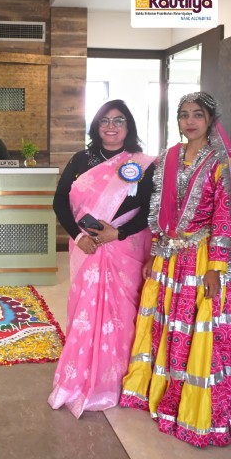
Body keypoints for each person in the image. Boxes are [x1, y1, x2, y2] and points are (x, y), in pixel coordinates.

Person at [120, 92, 231, 448]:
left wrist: (216, 268)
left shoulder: (221, 163)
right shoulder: (169, 158)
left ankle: (188, 406)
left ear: (210, 119)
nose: (190, 121)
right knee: (164, 322)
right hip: (168, 255)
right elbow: (158, 211)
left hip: (200, 257)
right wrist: (153, 253)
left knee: (194, 327)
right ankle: (158, 390)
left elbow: (224, 218)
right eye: (184, 115)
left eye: (197, 114)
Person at [48, 99, 156, 418]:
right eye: (105, 121)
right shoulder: (81, 159)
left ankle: (118, 379)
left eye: (118, 120)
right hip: (88, 248)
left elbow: (150, 210)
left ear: (128, 126)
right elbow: (59, 201)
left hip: (125, 249)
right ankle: (80, 376)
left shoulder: (142, 163)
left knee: (123, 314)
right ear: (96, 126)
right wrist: (79, 236)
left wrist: (118, 234)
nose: (111, 127)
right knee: (85, 309)